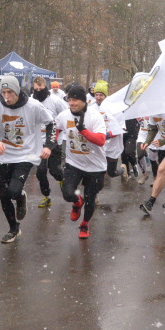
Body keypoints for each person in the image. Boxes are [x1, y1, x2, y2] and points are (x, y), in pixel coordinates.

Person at [0, 75, 56, 243]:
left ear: (17, 91)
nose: (6, 97)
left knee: (13, 191)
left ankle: (20, 196)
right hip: (3, 155)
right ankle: (13, 228)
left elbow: (51, 123)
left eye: (10, 92)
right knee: (3, 196)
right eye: (3, 92)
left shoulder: (33, 106)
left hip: (26, 154)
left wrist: (48, 146)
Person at [54, 84, 107, 238]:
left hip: (95, 166)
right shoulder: (64, 115)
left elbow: (101, 140)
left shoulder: (95, 116)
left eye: (75, 100)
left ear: (84, 101)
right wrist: (51, 145)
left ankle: (85, 223)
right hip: (74, 163)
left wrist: (84, 131)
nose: (72, 103)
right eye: (70, 99)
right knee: (67, 193)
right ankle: (77, 202)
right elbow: (54, 128)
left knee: (91, 200)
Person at [31, 75, 67, 207]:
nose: (38, 91)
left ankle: (62, 179)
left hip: (53, 140)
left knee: (54, 170)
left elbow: (66, 114)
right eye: (36, 89)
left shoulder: (55, 100)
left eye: (41, 88)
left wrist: (59, 129)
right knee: (40, 171)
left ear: (45, 87)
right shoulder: (31, 100)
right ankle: (46, 196)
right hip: (38, 142)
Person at [92, 80, 128, 183]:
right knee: (97, 171)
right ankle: (95, 195)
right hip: (99, 145)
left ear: (106, 95)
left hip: (113, 145)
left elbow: (121, 127)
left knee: (111, 173)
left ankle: (123, 170)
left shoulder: (114, 108)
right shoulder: (92, 108)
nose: (98, 97)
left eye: (101, 95)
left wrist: (108, 135)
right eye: (96, 95)